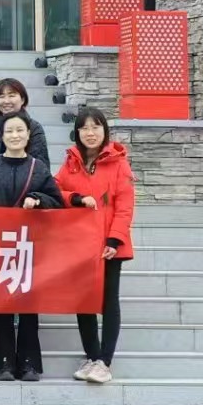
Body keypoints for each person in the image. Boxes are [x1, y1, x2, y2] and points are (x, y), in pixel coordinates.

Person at [0, 112, 64, 381]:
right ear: (1, 136)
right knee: (2, 304)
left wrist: (38, 199)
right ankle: (3, 362)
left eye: (20, 130)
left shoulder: (39, 168)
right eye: (9, 131)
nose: (15, 135)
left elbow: (57, 202)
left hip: (30, 247)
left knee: (28, 306)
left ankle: (29, 363)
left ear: (28, 135)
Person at [54, 106, 135, 386]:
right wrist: (75, 198)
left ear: (104, 130)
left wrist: (115, 239)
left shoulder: (119, 164)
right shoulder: (71, 162)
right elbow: (55, 190)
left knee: (109, 300)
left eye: (95, 127)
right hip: (80, 245)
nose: (90, 133)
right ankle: (91, 356)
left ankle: (104, 362)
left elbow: (125, 206)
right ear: (77, 132)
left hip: (109, 244)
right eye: (84, 128)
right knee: (84, 300)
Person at [0, 78, 50, 166]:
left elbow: (41, 165)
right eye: (1, 96)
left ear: (22, 100)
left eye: (11, 96)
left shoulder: (33, 127)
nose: (6, 101)